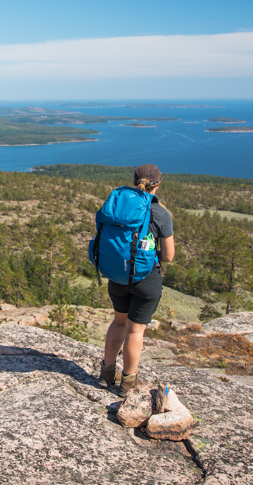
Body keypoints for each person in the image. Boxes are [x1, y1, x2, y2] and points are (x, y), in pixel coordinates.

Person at [99, 164, 175, 397]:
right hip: (145, 279)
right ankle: (127, 384)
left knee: (119, 322)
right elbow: (169, 256)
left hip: (118, 277)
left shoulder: (118, 207)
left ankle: (106, 375)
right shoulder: (160, 213)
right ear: (158, 184)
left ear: (134, 182)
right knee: (135, 331)